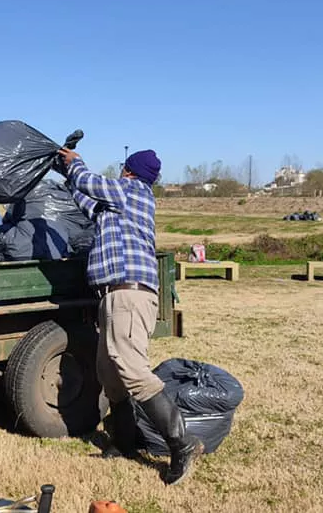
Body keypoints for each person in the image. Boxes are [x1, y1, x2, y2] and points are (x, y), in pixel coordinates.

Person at [57, 147, 201, 486]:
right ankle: (124, 443)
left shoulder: (134, 192)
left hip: (130, 294)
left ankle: (182, 445)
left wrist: (75, 164)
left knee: (133, 370)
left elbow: (91, 182)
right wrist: (67, 176)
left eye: (124, 167)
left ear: (130, 172)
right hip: (112, 295)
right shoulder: (117, 205)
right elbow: (88, 201)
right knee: (110, 373)